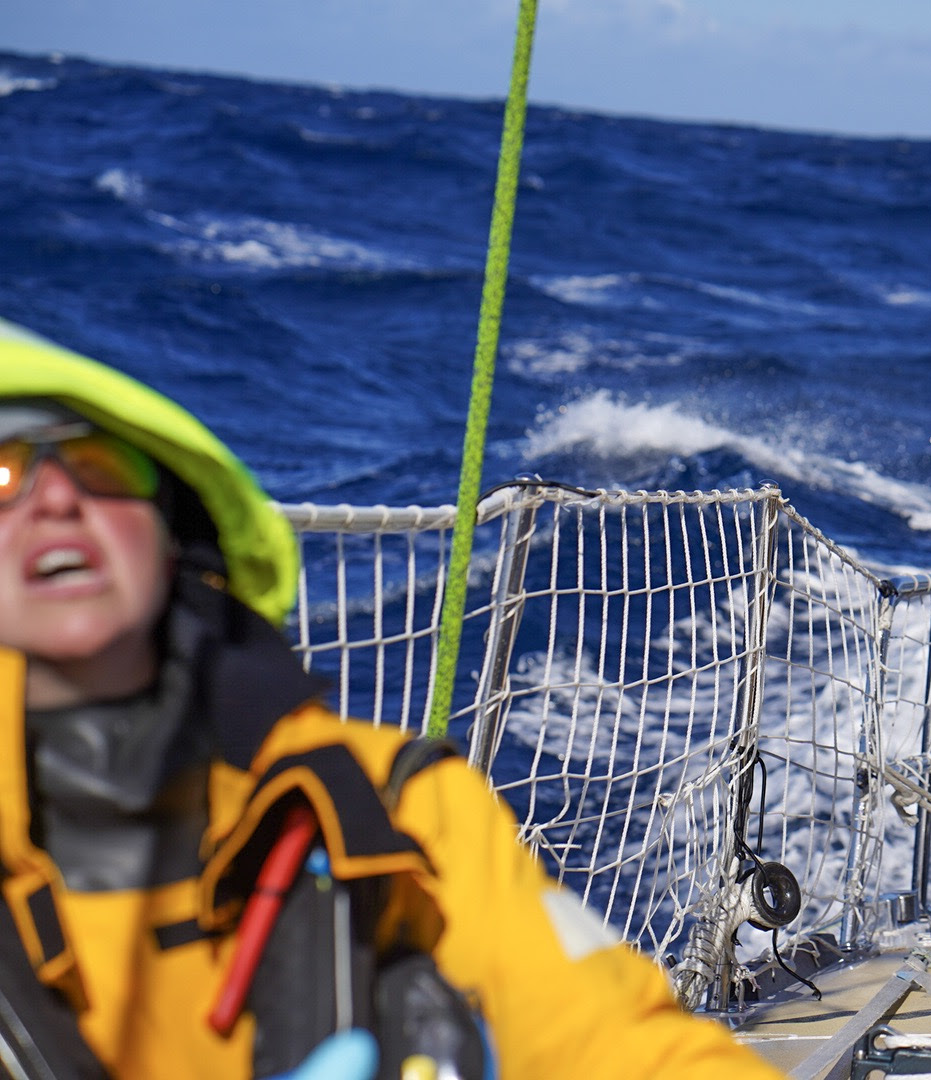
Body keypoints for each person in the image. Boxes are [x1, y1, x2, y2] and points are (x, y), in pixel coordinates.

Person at [0, 319, 787, 1078]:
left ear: (174, 526)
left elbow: (619, 1053)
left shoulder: (397, 809)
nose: (56, 502)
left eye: (105, 470)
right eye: (2, 475)